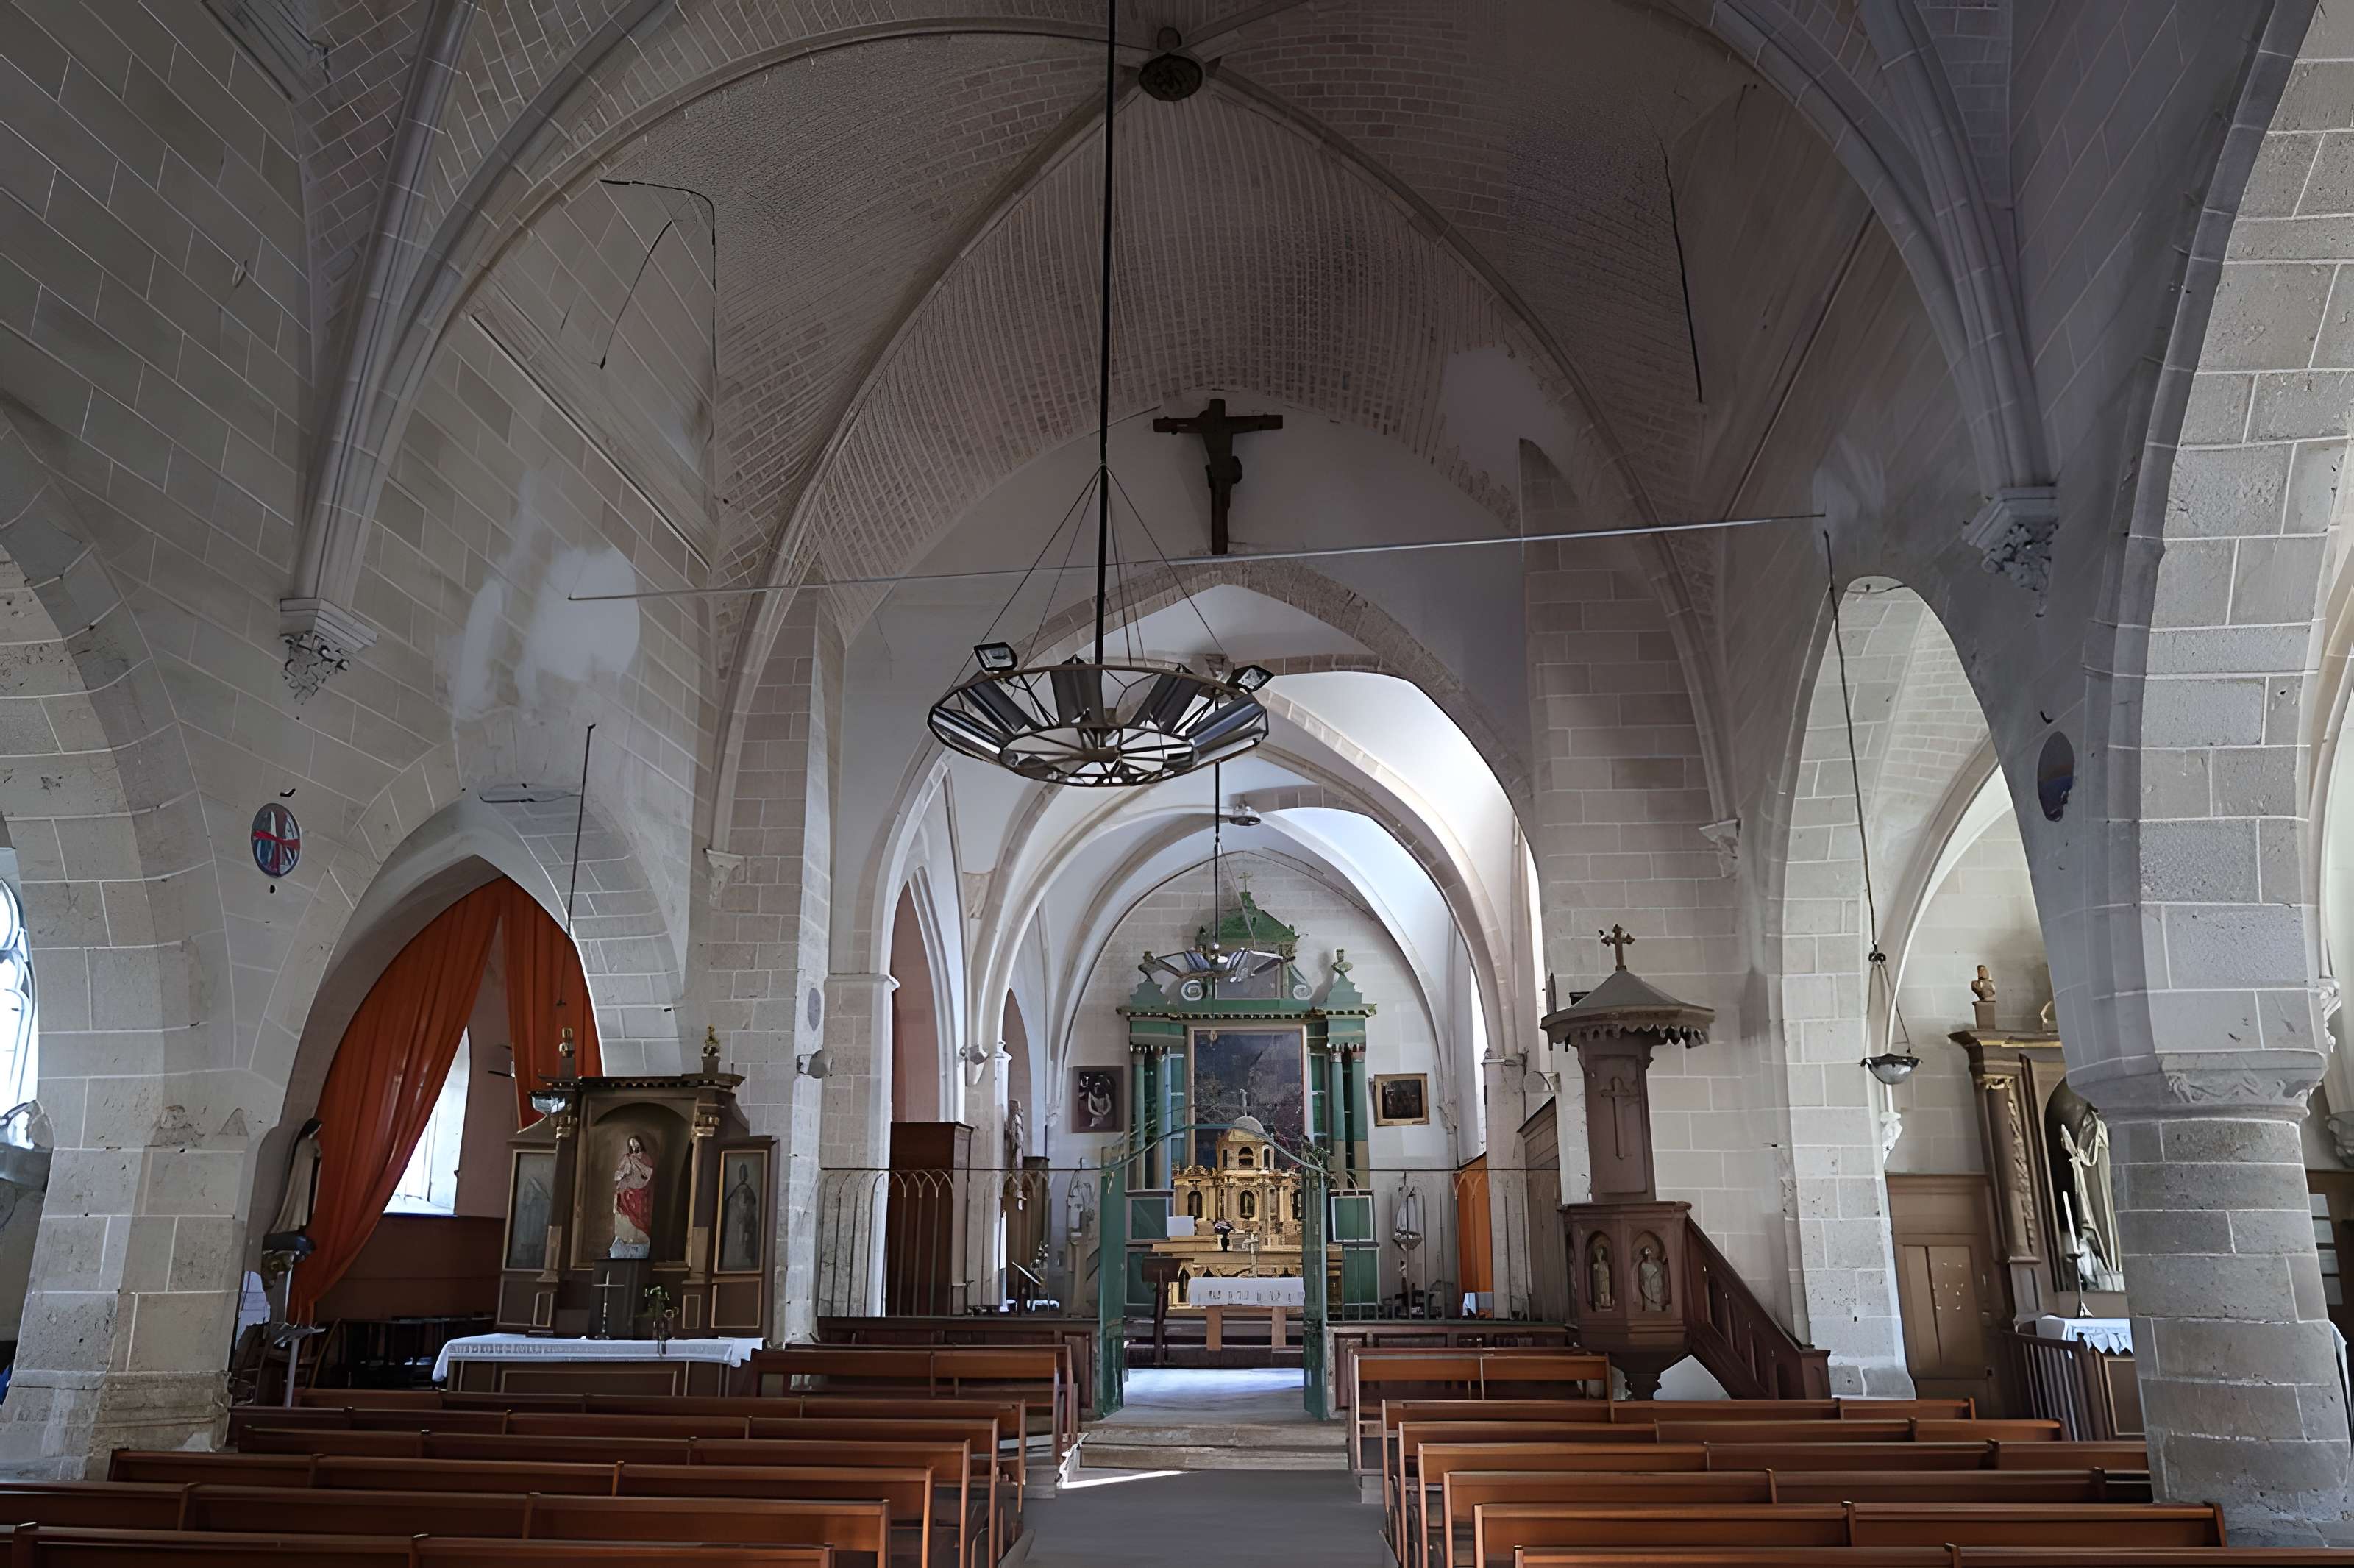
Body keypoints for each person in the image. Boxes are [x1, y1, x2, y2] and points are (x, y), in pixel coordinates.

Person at [611, 1135, 655, 1256]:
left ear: (640, 1144)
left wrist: (636, 1162)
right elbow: (617, 1175)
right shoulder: (627, 1158)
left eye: (636, 1143)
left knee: (639, 1216)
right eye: (631, 1144)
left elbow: (649, 1174)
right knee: (624, 1216)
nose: (634, 1146)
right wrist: (622, 1174)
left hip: (640, 1193)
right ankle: (625, 1239)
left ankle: (638, 1240)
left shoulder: (645, 1158)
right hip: (626, 1191)